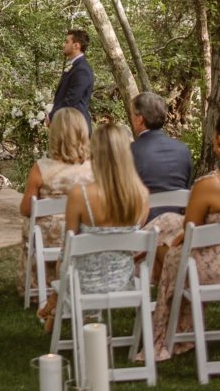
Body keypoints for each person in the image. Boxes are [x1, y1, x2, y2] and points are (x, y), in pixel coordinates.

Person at [39, 122, 148, 331]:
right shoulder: (142, 195)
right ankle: (56, 308)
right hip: (124, 282)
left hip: (83, 284)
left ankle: (53, 307)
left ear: (94, 153)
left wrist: (56, 292)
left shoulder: (80, 195)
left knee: (68, 263)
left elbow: (67, 251)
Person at [149, 112, 220, 361]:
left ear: (218, 139)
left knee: (171, 250)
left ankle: (176, 329)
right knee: (167, 232)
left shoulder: (209, 185)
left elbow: (191, 227)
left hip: (214, 271)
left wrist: (177, 241)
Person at [16, 107, 93, 297]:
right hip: (80, 235)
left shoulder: (41, 169)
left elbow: (26, 209)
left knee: (30, 225)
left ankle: (37, 286)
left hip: (47, 239)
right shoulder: (93, 169)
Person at [130, 91, 193, 221]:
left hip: (142, 227)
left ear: (140, 119)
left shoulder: (130, 151)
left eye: (132, 114)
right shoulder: (183, 150)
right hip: (176, 227)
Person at [48, 29, 94, 133]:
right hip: (68, 124)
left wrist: (51, 116)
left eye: (67, 41)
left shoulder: (82, 69)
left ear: (76, 45)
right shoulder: (75, 66)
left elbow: (71, 100)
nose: (63, 45)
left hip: (76, 128)